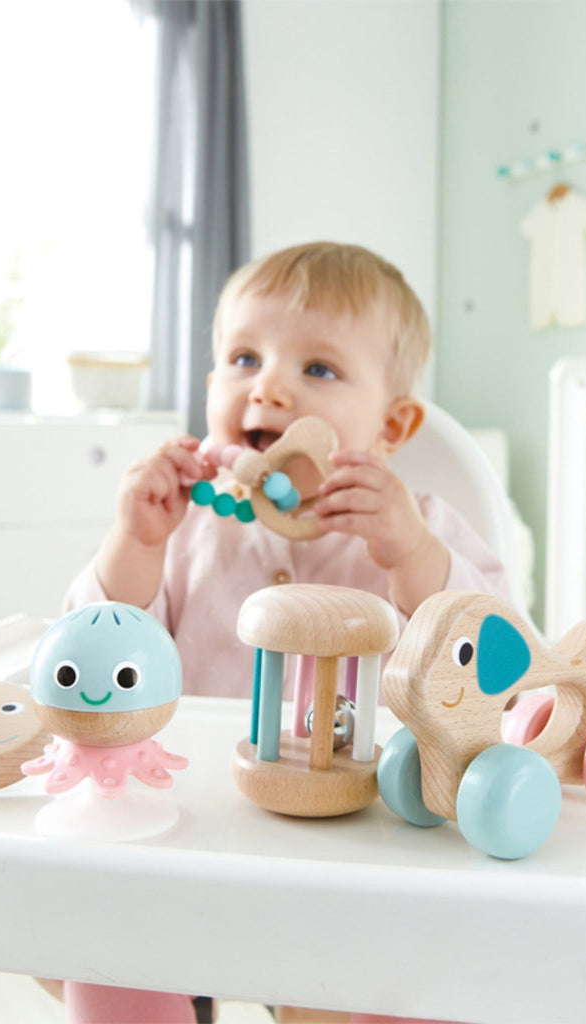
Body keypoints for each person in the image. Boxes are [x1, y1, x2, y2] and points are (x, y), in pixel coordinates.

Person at [50, 241, 511, 1023]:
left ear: (391, 425)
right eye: (243, 359)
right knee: (101, 949)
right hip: (189, 834)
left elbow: (499, 665)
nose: (267, 387)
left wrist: (412, 555)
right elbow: (93, 659)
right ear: (210, 391)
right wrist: (135, 542)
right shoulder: (185, 529)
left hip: (364, 856)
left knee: (418, 986)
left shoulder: (419, 527)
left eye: (318, 368)